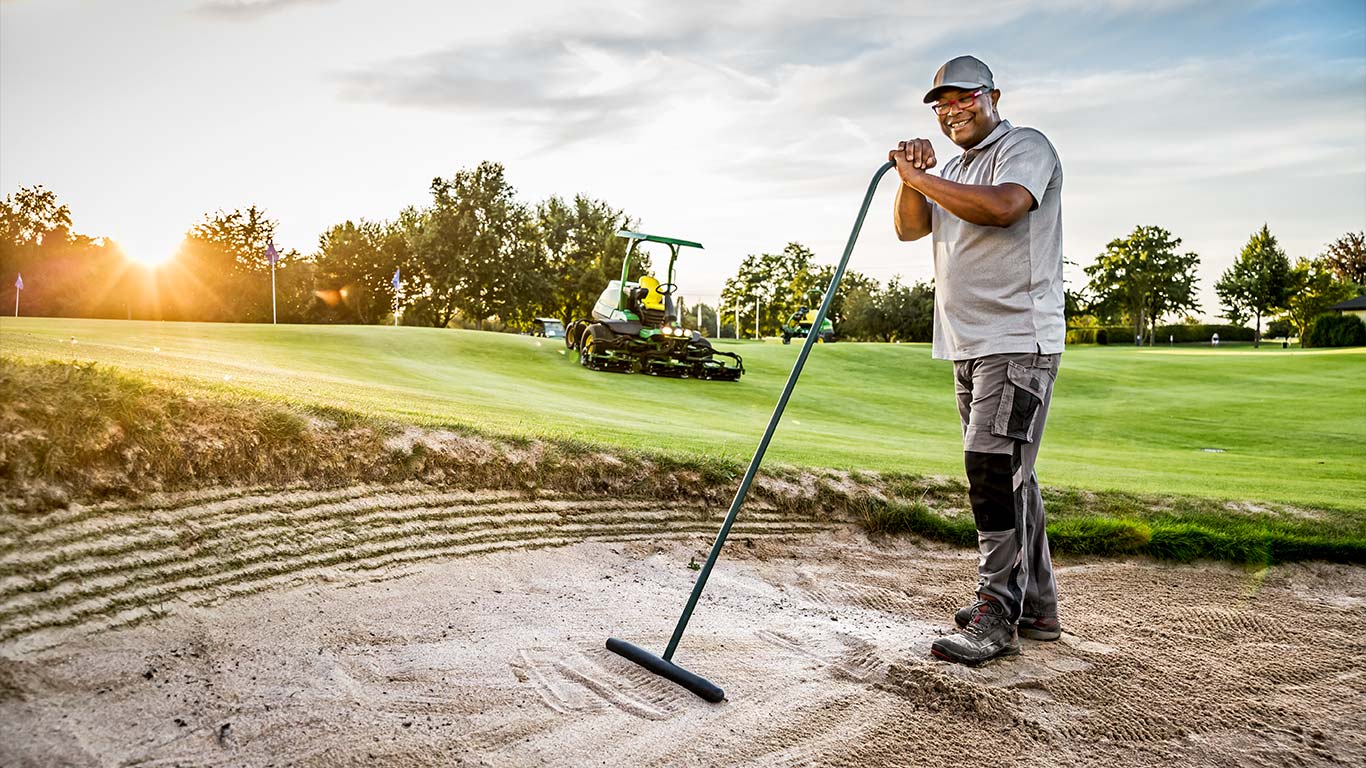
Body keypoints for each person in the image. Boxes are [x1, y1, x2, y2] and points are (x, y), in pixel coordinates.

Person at [889, 55, 1065, 665]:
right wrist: (909, 177)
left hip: (1017, 338)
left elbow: (1003, 208)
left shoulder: (1025, 147)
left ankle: (997, 612)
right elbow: (910, 230)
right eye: (940, 103)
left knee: (990, 469)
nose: (951, 110)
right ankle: (1037, 606)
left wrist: (923, 177)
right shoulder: (956, 169)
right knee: (1013, 473)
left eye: (963, 98)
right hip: (966, 343)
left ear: (993, 96)